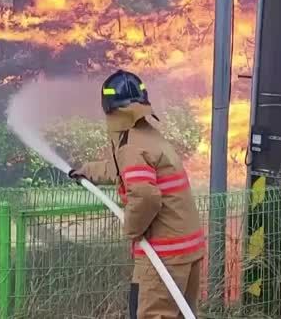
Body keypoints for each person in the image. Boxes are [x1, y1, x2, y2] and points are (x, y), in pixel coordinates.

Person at [69, 70, 204, 319]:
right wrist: (87, 171)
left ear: (110, 109)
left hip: (164, 253)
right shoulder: (149, 136)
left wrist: (132, 228)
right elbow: (121, 171)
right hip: (187, 249)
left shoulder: (132, 146)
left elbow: (145, 196)